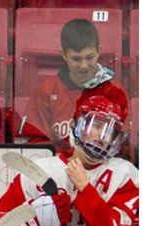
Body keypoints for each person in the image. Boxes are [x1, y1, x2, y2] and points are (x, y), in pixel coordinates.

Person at [0, 94, 139, 226]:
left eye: (110, 132)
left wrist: (85, 190)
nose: (101, 137)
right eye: (97, 126)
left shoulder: (125, 175)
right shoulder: (40, 170)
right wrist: (34, 220)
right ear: (77, 124)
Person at [19, 19, 130, 156]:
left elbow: (122, 145)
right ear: (64, 55)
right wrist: (60, 161)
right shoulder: (46, 90)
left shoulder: (115, 92)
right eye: (76, 59)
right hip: (58, 166)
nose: (84, 65)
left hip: (101, 166)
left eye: (89, 57)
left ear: (99, 51)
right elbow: (34, 144)